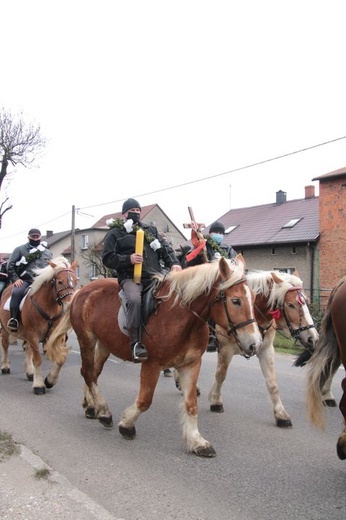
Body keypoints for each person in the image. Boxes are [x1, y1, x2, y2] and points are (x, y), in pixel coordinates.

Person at [102, 198, 182, 363]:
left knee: (175, 295)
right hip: (130, 278)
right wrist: (128, 259)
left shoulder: (150, 230)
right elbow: (107, 258)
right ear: (124, 213)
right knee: (134, 299)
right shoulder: (115, 232)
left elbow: (164, 249)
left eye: (138, 210)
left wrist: (174, 263)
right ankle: (135, 343)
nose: (136, 213)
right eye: (132, 210)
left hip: (155, 276)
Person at [184, 220, 237, 352]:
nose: (218, 234)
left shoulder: (228, 249)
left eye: (221, 233)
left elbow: (236, 265)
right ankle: (210, 335)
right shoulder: (203, 245)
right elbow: (188, 262)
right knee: (210, 301)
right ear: (210, 233)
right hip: (205, 283)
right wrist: (200, 252)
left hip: (224, 284)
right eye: (215, 232)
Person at [6, 229, 53, 332]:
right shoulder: (19, 250)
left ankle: (58, 320)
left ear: (41, 237)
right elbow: (10, 266)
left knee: (57, 293)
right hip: (25, 280)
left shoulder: (47, 252)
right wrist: (15, 279)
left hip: (43, 281)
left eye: (37, 237)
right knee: (16, 292)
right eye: (33, 237)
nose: (35, 238)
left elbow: (51, 267)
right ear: (28, 237)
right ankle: (14, 319)